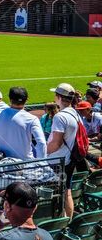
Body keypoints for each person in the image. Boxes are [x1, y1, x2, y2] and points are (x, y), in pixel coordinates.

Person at [0, 87, 47, 162]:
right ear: (26, 100)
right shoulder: (32, 119)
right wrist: (41, 164)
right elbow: (41, 143)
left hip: (3, 164)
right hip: (25, 165)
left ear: (10, 100)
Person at [44, 83, 82, 216]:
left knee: (56, 193)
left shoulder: (60, 117)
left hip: (58, 162)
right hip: (69, 160)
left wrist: (43, 152)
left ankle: (58, 222)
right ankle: (67, 222)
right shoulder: (76, 114)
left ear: (59, 97)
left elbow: (56, 142)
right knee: (67, 191)